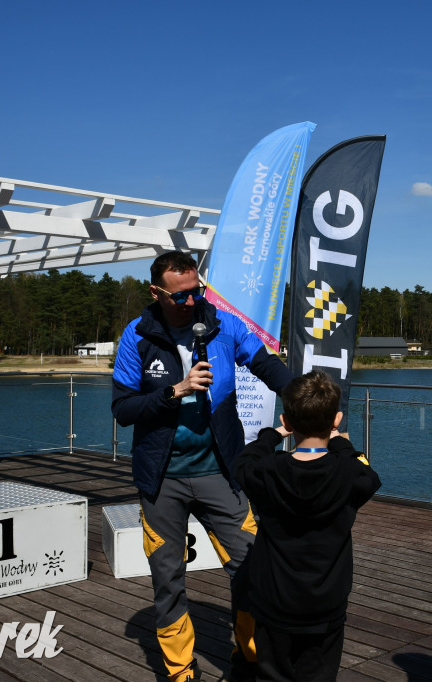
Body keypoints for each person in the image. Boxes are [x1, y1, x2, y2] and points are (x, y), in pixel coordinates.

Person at [112, 251, 292, 682]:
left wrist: (307, 400)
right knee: (168, 579)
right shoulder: (137, 335)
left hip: (221, 471)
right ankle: (180, 672)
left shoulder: (221, 324)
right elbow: (123, 409)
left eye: (199, 291)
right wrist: (176, 390)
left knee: (251, 566)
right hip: (162, 480)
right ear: (156, 292)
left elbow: (267, 365)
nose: (193, 302)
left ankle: (248, 658)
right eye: (181, 296)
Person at [233, 370, 381, 681]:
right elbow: (369, 475)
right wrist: (341, 445)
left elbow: (243, 463)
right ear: (336, 420)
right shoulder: (349, 473)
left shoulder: (268, 470)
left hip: (274, 600)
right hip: (326, 603)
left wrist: (273, 435)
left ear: (287, 420)